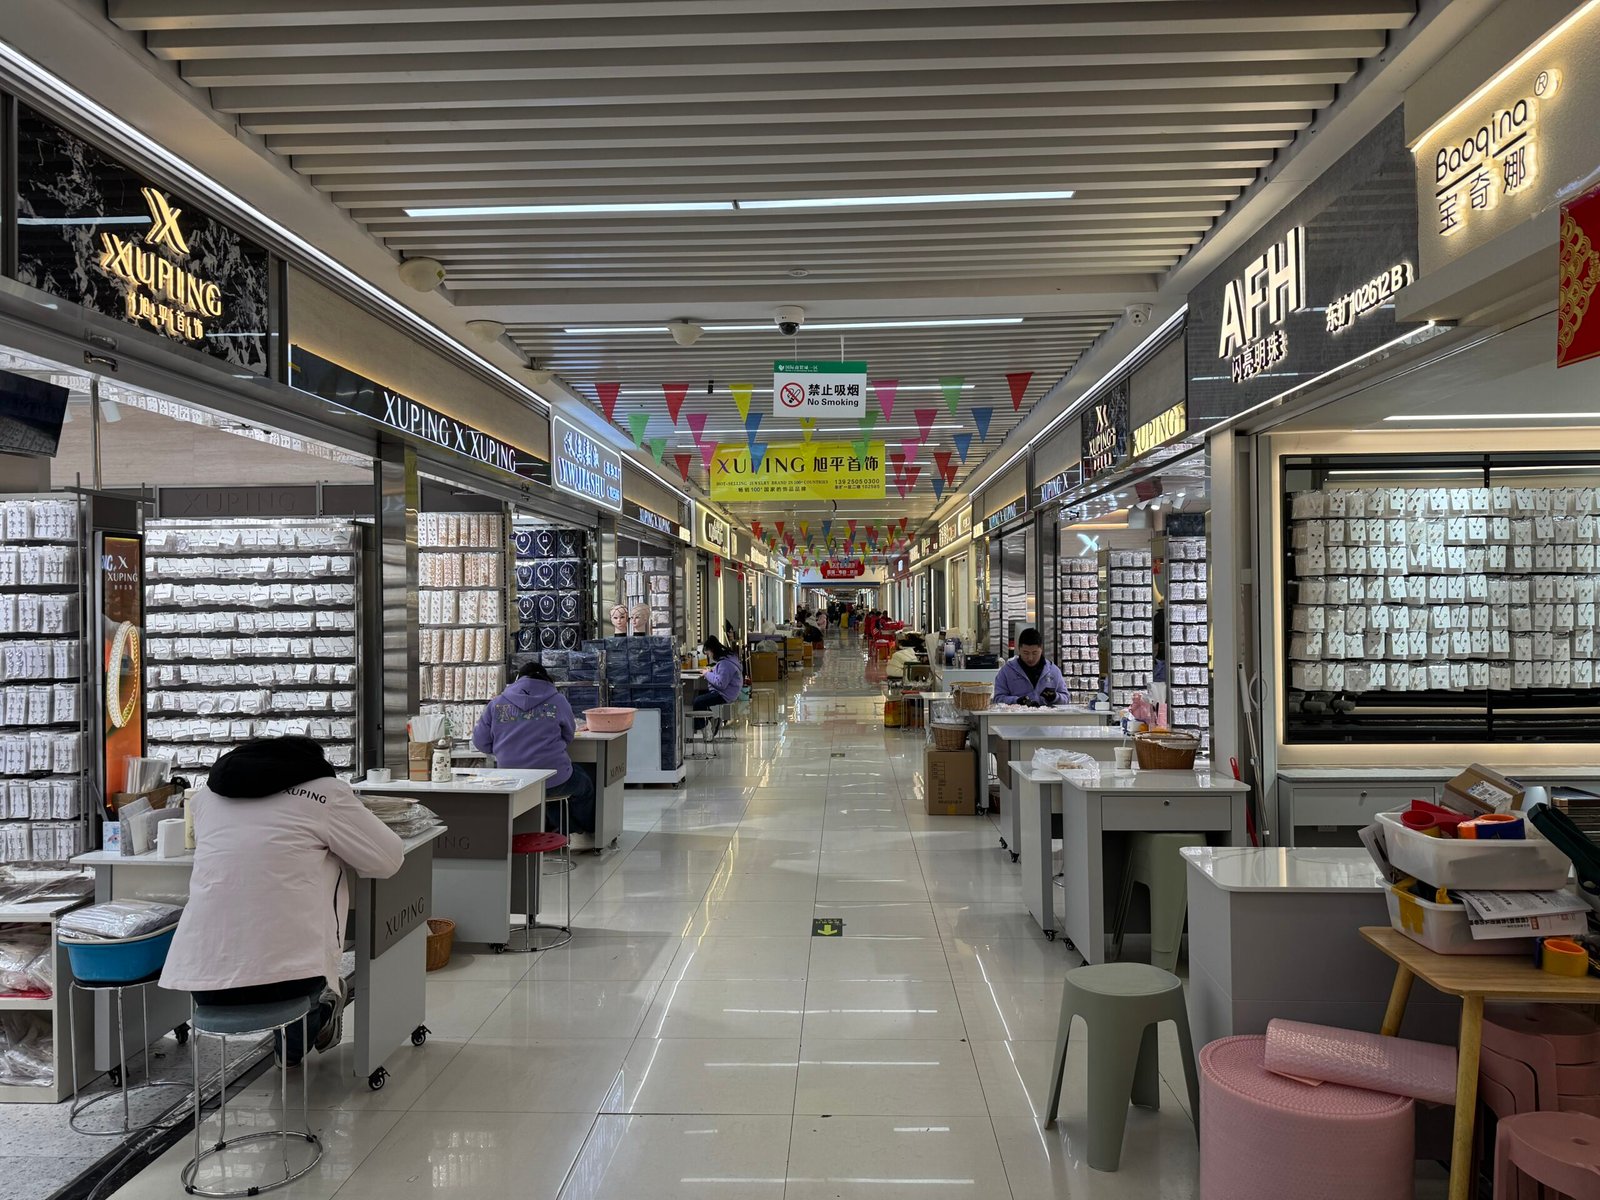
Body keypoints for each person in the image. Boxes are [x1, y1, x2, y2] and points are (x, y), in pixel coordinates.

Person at [160, 737, 404, 1066]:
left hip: (204, 981)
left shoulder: (205, 798)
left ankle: (295, 1043)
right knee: (293, 967)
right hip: (292, 979)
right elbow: (387, 859)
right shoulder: (323, 793)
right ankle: (302, 1035)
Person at [473, 661, 596, 838]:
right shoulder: (558, 701)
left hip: (512, 779)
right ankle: (579, 831)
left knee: (546, 793)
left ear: (517, 680)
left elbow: (480, 742)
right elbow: (569, 734)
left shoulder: (497, 704)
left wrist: (504, 747)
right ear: (547, 680)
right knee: (584, 785)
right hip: (553, 777)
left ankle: (557, 831)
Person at [993, 627, 1068, 706]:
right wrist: (1017, 701)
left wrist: (1055, 697)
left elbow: (1066, 699)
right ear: (1019, 649)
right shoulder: (1007, 671)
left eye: (1035, 653)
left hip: (1046, 717)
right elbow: (998, 699)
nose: (1030, 658)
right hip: (1017, 717)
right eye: (1026, 653)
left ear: (1041, 649)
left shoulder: (1053, 670)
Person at [694, 637, 743, 713]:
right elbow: (722, 672)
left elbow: (720, 684)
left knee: (698, 701)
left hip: (725, 694)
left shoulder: (725, 663)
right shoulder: (728, 658)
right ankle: (708, 718)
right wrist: (712, 669)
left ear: (712, 651)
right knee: (697, 694)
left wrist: (707, 674)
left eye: (708, 654)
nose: (709, 656)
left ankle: (703, 724)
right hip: (728, 691)